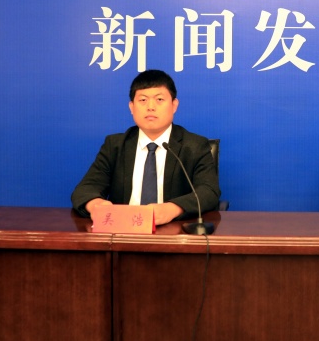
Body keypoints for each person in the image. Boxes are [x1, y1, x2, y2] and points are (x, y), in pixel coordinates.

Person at [71, 69, 220, 225]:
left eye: (159, 99)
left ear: (174, 105)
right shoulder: (115, 145)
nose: (150, 107)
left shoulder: (195, 146)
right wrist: (97, 205)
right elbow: (85, 189)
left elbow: (208, 191)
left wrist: (172, 208)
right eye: (143, 100)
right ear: (131, 107)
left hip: (172, 229)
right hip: (123, 229)